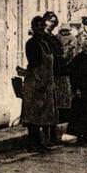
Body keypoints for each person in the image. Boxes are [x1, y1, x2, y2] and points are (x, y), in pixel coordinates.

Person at [19, 15, 57, 152]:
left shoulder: (45, 43)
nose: (40, 29)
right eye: (38, 26)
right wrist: (39, 82)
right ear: (33, 28)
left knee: (43, 114)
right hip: (35, 82)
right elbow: (34, 65)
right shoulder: (32, 43)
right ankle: (33, 143)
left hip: (46, 82)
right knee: (33, 114)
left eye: (42, 26)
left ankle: (39, 142)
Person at [43, 11, 72, 138]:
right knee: (47, 106)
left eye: (55, 22)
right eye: (50, 21)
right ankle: (47, 135)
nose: (52, 24)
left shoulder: (54, 38)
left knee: (56, 105)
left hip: (57, 73)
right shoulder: (42, 38)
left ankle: (53, 134)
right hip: (47, 74)